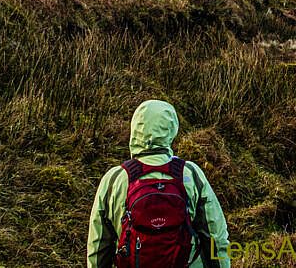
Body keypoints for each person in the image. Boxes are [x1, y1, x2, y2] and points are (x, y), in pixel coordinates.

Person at [87, 99, 231, 268]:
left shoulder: (114, 179)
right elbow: (216, 236)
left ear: (135, 130)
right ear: (172, 129)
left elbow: (98, 247)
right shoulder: (191, 174)